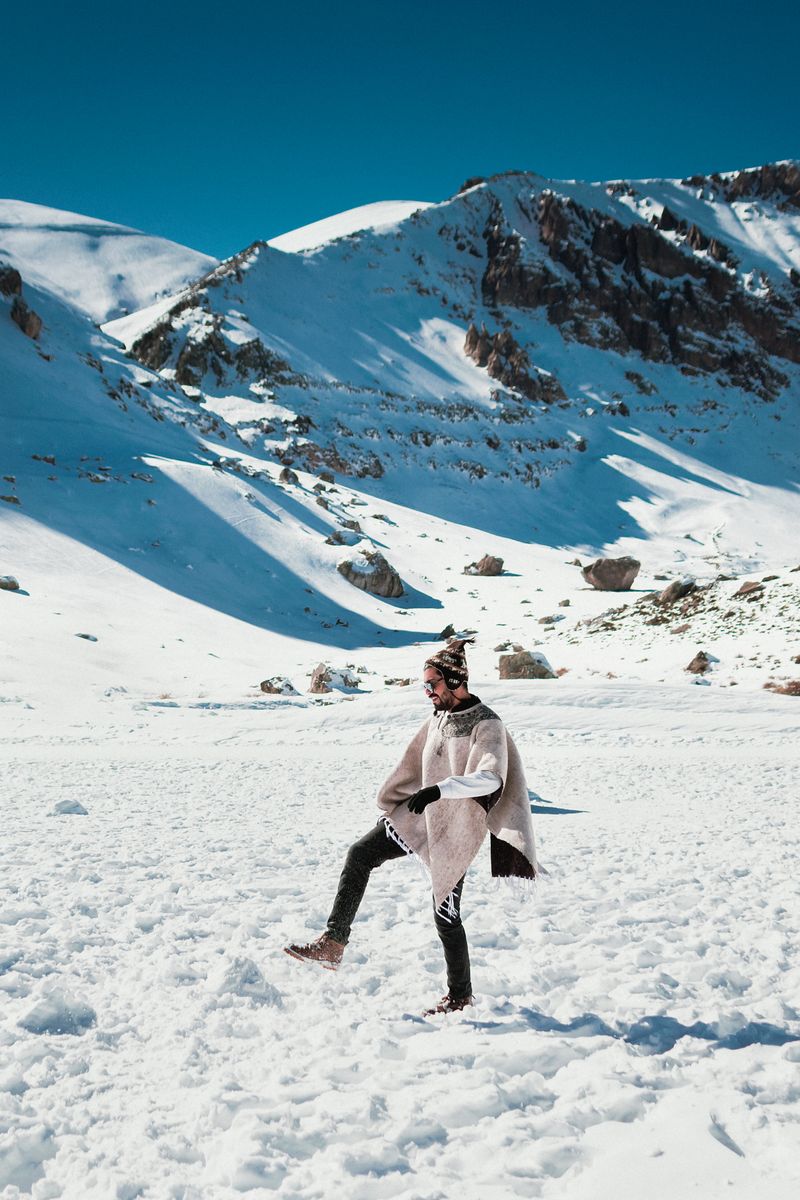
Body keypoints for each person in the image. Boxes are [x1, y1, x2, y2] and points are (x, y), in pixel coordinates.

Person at [284, 638, 538, 1015]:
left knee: (446, 916)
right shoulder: (438, 716)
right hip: (416, 815)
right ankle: (334, 943)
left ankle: (460, 996)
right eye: (424, 685)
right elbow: (413, 762)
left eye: (432, 684)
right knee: (360, 854)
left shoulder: (487, 724)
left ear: (454, 681)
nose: (428, 693)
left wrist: (443, 789)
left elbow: (490, 778)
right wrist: (397, 798)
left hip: (454, 829)